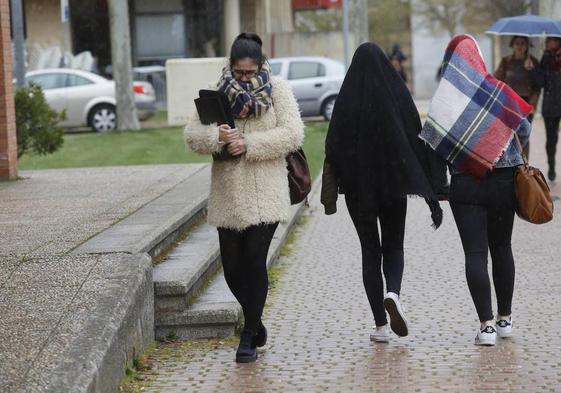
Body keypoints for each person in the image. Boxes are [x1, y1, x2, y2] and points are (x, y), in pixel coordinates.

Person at [184, 32, 304, 363]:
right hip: (227, 192)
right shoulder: (216, 92)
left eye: (250, 73)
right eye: (239, 72)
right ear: (231, 67)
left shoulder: (278, 89)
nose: (244, 79)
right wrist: (216, 136)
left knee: (254, 260)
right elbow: (192, 136)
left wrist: (249, 144)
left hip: (267, 189)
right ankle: (256, 317)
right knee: (233, 269)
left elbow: (293, 134)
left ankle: (248, 334)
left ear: (261, 66)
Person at [321, 42, 443, 343]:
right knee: (394, 247)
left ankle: (379, 325)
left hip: (359, 190)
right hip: (392, 185)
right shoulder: (396, 94)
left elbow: (333, 145)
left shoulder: (347, 99)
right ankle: (393, 293)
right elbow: (416, 135)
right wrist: (430, 190)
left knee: (369, 252)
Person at [421, 35, 532, 346]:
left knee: (475, 254)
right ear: (479, 59)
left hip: (465, 184)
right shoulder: (499, 92)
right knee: (502, 249)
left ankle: (486, 327)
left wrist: (441, 186)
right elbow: (524, 127)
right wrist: (499, 137)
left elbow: (433, 145)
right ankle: (505, 319)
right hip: (503, 182)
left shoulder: (444, 102)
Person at [494, 35, 539, 158]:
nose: (519, 46)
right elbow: (497, 81)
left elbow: (537, 85)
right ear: (512, 45)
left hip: (526, 103)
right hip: (509, 102)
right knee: (509, 134)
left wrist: (533, 104)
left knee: (524, 133)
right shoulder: (506, 61)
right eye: (517, 43)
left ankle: (524, 164)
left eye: (522, 43)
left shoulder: (533, 62)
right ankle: (511, 162)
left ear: (527, 46)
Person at [528, 36, 561, 181]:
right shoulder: (546, 57)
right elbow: (541, 81)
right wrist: (532, 70)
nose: (547, 42)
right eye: (547, 40)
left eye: (551, 40)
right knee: (551, 139)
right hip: (550, 104)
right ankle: (552, 166)